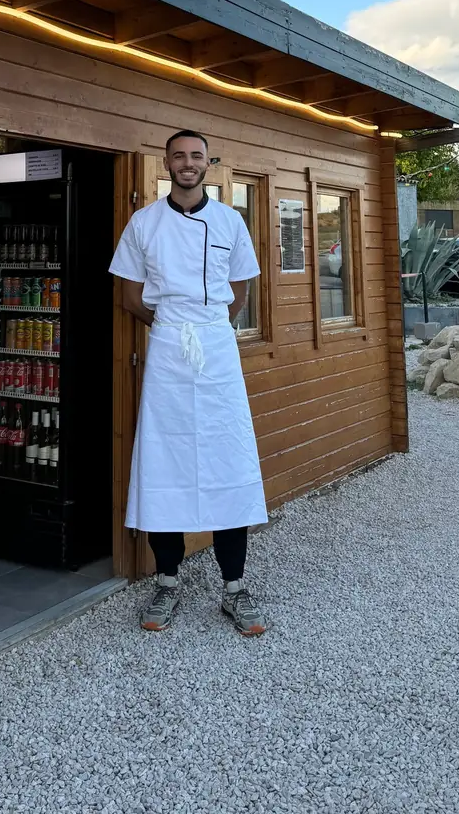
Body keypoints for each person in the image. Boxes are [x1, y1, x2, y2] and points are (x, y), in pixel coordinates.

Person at [108, 129, 267, 636]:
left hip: (217, 350)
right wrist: (172, 328)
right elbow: (130, 297)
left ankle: (234, 587)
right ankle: (167, 581)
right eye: (179, 156)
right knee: (164, 460)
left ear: (206, 163)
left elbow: (239, 288)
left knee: (227, 458)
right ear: (167, 164)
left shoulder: (230, 221)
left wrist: (207, 327)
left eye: (196, 155)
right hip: (167, 349)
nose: (188, 163)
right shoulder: (143, 223)